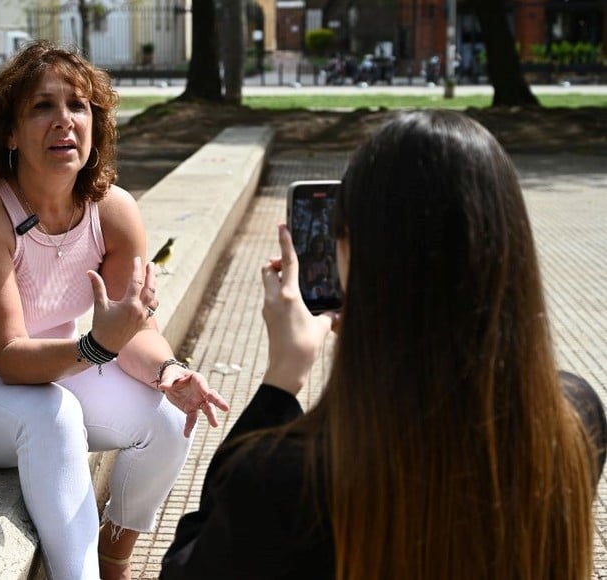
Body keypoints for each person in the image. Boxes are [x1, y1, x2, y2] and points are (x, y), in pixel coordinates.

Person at [161, 110, 607, 579]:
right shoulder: (574, 421)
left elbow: (189, 567)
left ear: (353, 253)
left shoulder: (290, 476)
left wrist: (280, 381)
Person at [0, 40, 229, 580]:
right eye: (41, 107)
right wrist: (98, 345)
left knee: (170, 416)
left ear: (96, 123)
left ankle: (115, 558)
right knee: (53, 415)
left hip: (51, 372)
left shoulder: (113, 211)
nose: (64, 121)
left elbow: (132, 333)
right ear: (9, 131)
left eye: (78, 106)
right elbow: (8, 357)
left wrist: (170, 371)